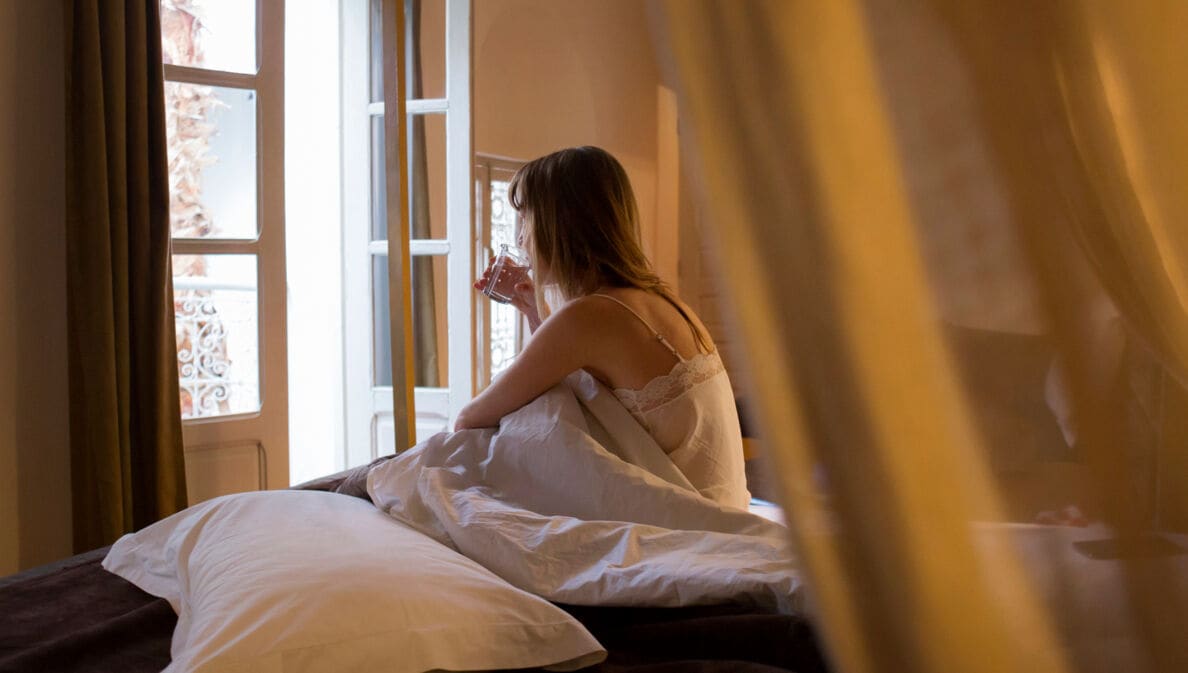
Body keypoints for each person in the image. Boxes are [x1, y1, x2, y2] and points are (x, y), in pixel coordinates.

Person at [456, 146, 749, 508]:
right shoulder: (657, 300)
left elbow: (469, 418)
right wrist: (534, 312)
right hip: (726, 506)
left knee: (490, 445)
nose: (519, 239)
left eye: (526, 219)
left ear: (558, 225)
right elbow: (587, 375)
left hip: (690, 520)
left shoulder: (589, 315)